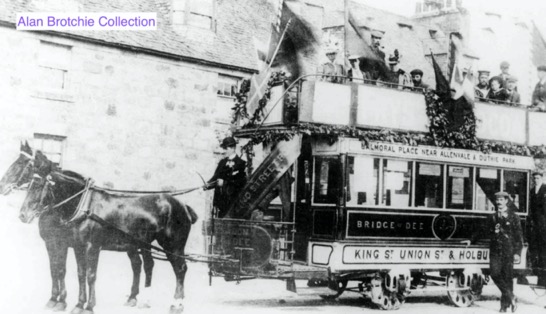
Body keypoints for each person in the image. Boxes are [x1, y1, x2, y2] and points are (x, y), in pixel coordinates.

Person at [463, 192, 523, 313]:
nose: (499, 202)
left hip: (508, 250)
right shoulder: (492, 217)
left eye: (501, 200)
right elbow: (482, 230)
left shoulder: (514, 217)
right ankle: (511, 296)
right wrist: (471, 240)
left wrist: (517, 253)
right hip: (495, 250)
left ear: (506, 201)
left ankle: (504, 306)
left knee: (507, 278)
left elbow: (519, 237)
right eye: (497, 200)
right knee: (494, 273)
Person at [205, 137, 247, 218]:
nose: (224, 151)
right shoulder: (222, 162)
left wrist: (224, 183)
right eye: (224, 148)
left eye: (226, 148)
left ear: (233, 148)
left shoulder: (241, 163)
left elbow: (240, 183)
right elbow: (215, 176)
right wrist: (207, 184)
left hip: (232, 202)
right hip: (219, 201)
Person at [529, 171, 546, 287]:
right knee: (537, 250)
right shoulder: (531, 191)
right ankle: (540, 278)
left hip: (543, 224)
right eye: (534, 178)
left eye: (538, 178)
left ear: (541, 178)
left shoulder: (545, 189)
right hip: (535, 224)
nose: (536, 180)